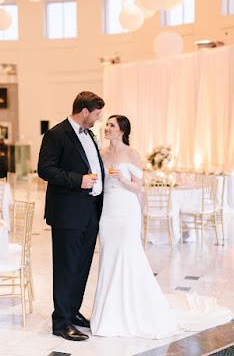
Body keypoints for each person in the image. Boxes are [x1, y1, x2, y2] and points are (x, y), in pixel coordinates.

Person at [90, 115, 232, 338]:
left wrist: (122, 179)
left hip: (126, 211)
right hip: (107, 212)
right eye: (106, 124)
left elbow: (138, 188)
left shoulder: (132, 154)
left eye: (111, 125)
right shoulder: (102, 153)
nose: (106, 128)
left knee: (128, 255)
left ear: (122, 131)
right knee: (108, 257)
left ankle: (132, 308)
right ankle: (107, 311)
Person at [38, 91, 105, 341]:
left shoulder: (88, 134)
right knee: (66, 267)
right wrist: (79, 181)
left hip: (89, 211)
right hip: (67, 214)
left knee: (82, 266)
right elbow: (45, 169)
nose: (98, 119)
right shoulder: (57, 134)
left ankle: (73, 311)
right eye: (97, 114)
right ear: (84, 111)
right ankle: (61, 321)